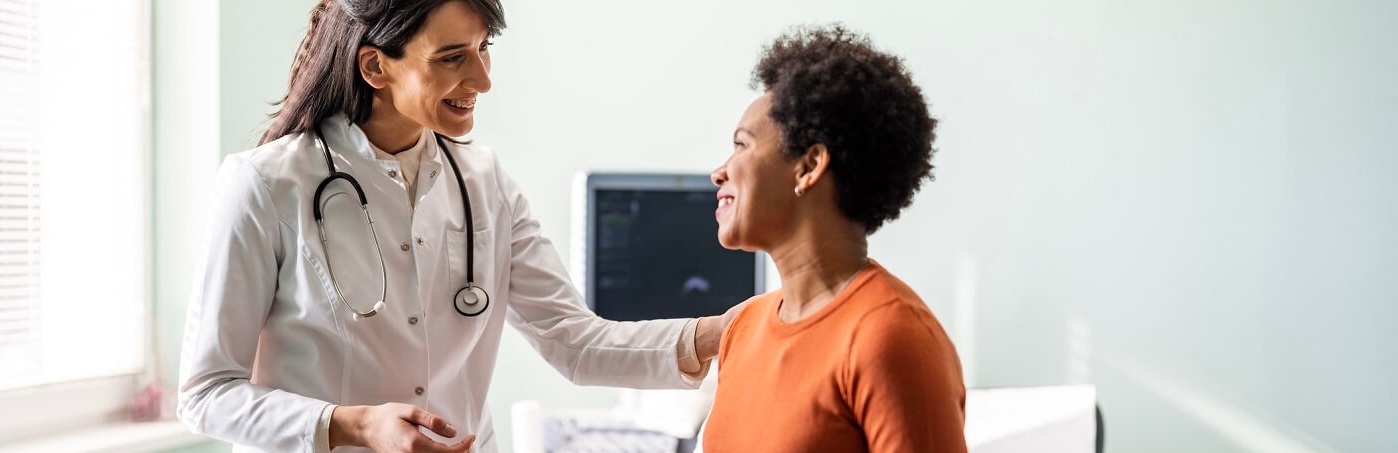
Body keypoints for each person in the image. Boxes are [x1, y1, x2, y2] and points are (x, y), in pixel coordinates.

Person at [176, 1, 731, 452]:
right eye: (451, 57)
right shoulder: (268, 183)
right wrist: (354, 425)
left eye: (484, 48)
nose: (483, 79)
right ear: (375, 67)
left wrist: (731, 331)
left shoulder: (484, 181)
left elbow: (575, 343)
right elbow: (207, 393)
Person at [701, 24, 967, 452]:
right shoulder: (743, 330)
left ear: (808, 167)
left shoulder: (892, 337)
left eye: (741, 145)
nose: (720, 171)